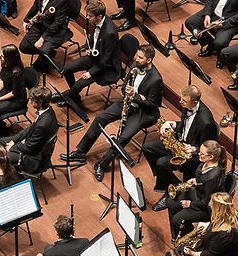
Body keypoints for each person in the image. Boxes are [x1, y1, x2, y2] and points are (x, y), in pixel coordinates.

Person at [61, 44, 163, 181]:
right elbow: (124, 87)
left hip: (142, 112)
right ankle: (81, 152)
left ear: (149, 60)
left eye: (140, 57)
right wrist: (131, 94)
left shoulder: (156, 79)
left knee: (123, 138)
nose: (136, 59)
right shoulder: (134, 66)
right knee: (100, 119)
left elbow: (153, 104)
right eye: (136, 56)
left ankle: (102, 165)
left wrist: (136, 97)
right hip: (127, 103)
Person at [142, 84, 219, 204]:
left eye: (184, 100)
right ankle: (170, 181)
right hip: (180, 142)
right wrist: (171, 123)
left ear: (195, 102)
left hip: (192, 155)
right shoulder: (187, 106)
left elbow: (210, 147)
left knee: (161, 163)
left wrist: (194, 149)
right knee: (147, 148)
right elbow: (185, 125)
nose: (180, 102)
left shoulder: (206, 122)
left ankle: (168, 190)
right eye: (181, 98)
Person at [60, 0, 120, 104]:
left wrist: (91, 72)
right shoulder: (98, 22)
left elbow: (106, 60)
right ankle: (73, 96)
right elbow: (95, 38)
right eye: (87, 15)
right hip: (95, 57)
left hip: (106, 67)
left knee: (78, 85)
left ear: (99, 16)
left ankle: (70, 96)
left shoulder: (110, 33)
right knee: (66, 69)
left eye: (90, 16)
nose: (87, 18)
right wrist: (90, 47)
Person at [19, 0, 79, 73]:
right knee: (24, 47)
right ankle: (49, 55)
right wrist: (26, 19)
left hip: (55, 31)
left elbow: (58, 23)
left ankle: (42, 61)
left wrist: (42, 38)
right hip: (41, 24)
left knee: (43, 50)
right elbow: (36, 4)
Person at [166, 141, 230, 239]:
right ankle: (178, 236)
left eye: (202, 153)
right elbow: (202, 180)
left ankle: (190, 238)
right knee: (171, 203)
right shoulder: (205, 163)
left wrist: (190, 204)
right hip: (199, 195)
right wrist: (196, 181)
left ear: (211, 157)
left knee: (177, 219)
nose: (199, 154)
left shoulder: (213, 176)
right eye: (200, 151)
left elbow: (206, 202)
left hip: (208, 208)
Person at [182, 192, 238, 256]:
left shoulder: (224, 234)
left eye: (212, 204)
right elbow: (216, 222)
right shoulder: (232, 215)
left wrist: (191, 253)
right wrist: (206, 225)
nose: (209, 205)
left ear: (219, 209)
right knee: (181, 254)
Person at [2, 86, 57, 173]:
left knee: (1, 157)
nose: (30, 102)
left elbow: (29, 148)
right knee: (1, 141)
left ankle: (3, 180)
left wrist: (12, 147)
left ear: (40, 103)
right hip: (31, 144)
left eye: (32, 100)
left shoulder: (43, 125)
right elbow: (30, 128)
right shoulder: (47, 110)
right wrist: (14, 140)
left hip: (33, 158)